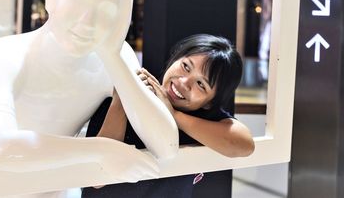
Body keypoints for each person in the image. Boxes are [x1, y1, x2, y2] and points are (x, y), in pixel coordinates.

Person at [0, 0, 179, 197]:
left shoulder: (112, 56)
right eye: (79, 1)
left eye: (106, 11)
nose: (88, 21)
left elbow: (166, 146)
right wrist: (100, 150)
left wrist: (112, 56)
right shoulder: (6, 55)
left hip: (56, 188)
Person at [82, 34, 255, 198]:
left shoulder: (204, 120)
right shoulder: (132, 90)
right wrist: (123, 97)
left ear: (209, 102)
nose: (184, 82)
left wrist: (173, 115)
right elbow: (97, 178)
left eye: (201, 84)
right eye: (186, 66)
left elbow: (244, 145)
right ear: (175, 58)